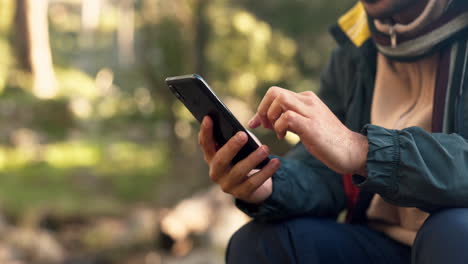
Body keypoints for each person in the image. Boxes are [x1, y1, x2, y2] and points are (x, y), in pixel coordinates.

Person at [198, 0, 468, 263]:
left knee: (452, 231)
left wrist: (363, 150)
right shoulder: (355, 48)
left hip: (453, 239)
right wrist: (269, 183)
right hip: (383, 243)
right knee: (260, 244)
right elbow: (327, 174)